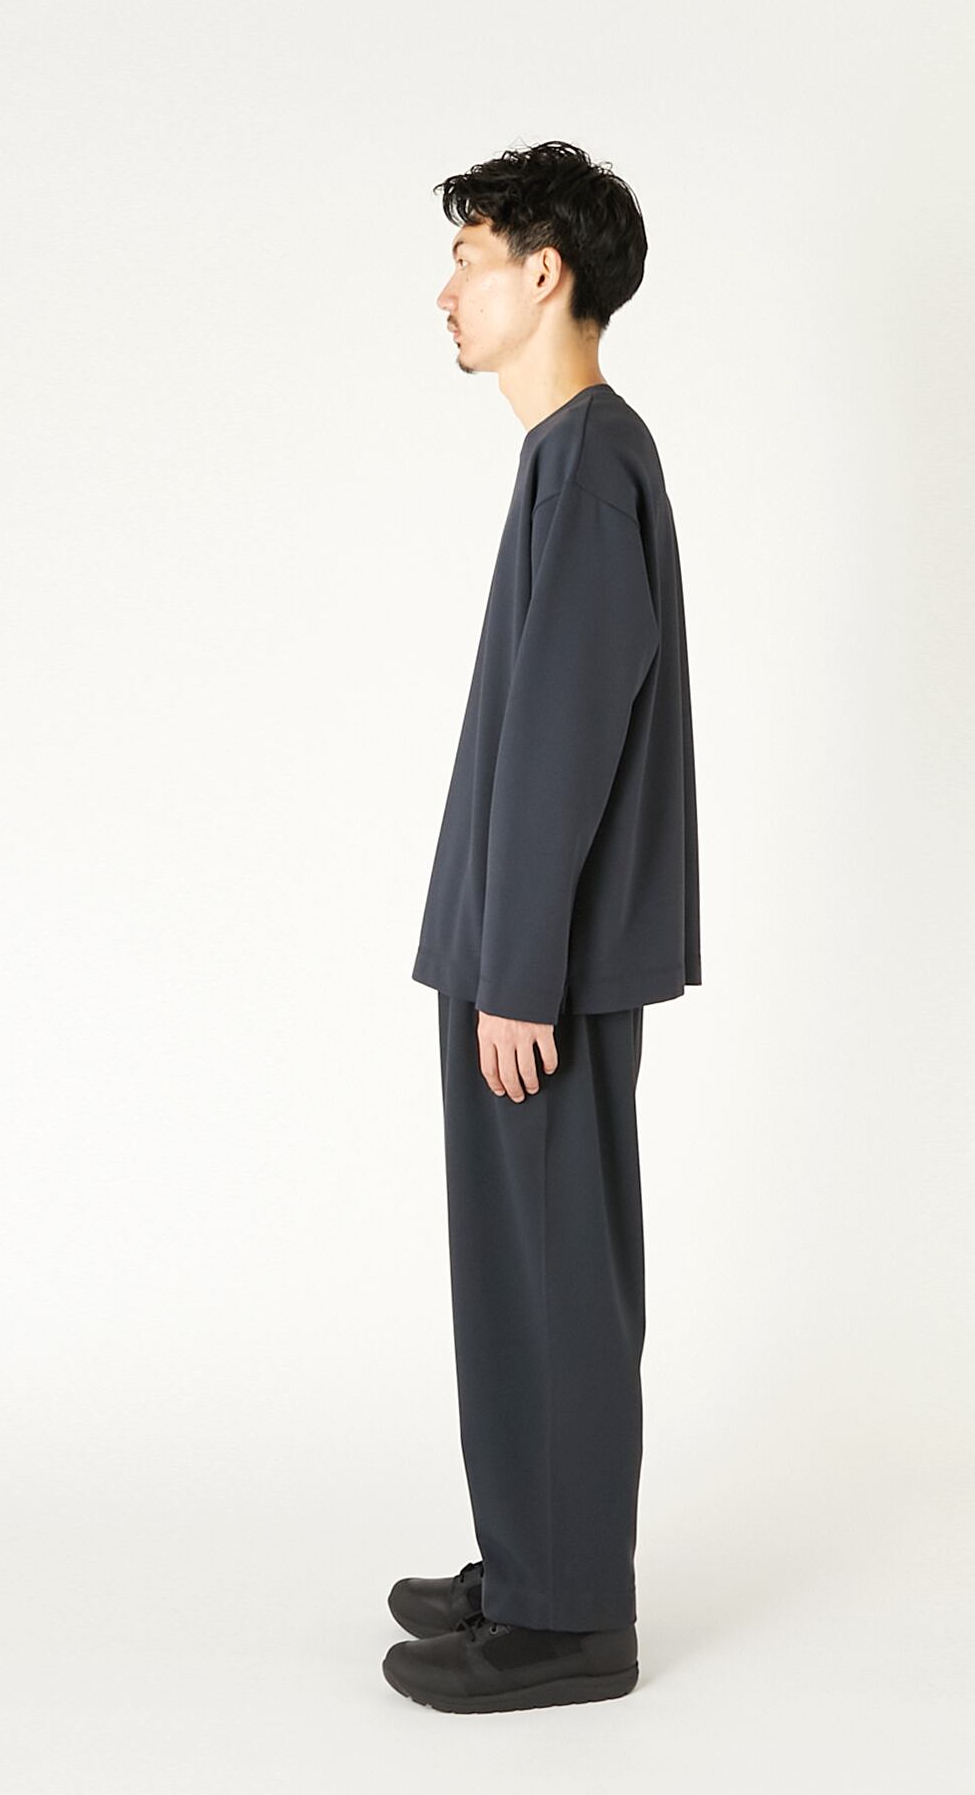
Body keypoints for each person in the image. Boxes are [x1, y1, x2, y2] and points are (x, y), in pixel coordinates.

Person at [383, 140, 701, 1715]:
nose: (447, 291)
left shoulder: (591, 461)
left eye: (470, 258)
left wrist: (519, 973)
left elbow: (569, 730)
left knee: (557, 1272)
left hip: (541, 972)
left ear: (545, 274)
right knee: (519, 1272)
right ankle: (532, 1559)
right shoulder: (567, 459)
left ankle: (572, 1618)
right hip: (518, 955)